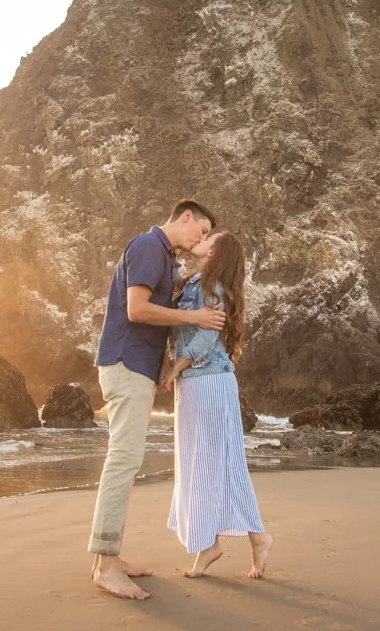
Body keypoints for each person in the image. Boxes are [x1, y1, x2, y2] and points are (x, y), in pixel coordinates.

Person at [88, 199, 226, 601]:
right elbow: (137, 309)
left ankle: (105, 558)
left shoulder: (164, 257)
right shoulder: (149, 247)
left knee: (124, 461)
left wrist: (166, 366)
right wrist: (195, 319)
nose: (200, 240)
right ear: (186, 217)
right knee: (123, 461)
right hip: (126, 364)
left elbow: (161, 306)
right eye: (200, 231)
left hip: (136, 368)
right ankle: (106, 565)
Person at [161, 231, 274, 579]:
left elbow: (207, 337)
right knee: (198, 465)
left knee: (217, 464)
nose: (203, 237)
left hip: (209, 381)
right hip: (194, 385)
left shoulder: (214, 289)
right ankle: (211, 543)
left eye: (211, 238)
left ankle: (257, 536)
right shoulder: (192, 281)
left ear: (216, 252)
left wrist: (175, 367)